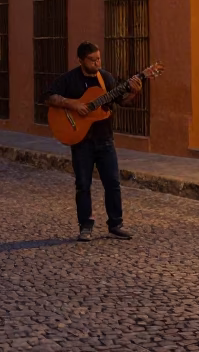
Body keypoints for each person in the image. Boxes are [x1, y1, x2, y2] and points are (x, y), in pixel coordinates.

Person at [42, 42, 143, 242]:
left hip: (105, 140)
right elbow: (47, 96)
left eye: (99, 58)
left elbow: (122, 101)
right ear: (80, 60)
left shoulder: (105, 78)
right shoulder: (69, 79)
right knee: (83, 184)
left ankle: (116, 224)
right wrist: (72, 104)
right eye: (92, 59)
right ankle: (85, 226)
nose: (97, 62)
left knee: (113, 183)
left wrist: (134, 92)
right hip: (81, 142)